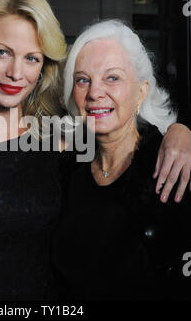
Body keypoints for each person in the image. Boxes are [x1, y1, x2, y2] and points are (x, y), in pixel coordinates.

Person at [0, 0, 191, 301]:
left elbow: (125, 131)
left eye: (31, 58)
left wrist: (180, 130)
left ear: (42, 68)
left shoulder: (58, 142)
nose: (15, 72)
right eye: (2, 52)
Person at [52, 19, 191, 300]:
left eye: (112, 77)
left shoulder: (175, 168)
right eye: (83, 80)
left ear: (141, 90)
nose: (94, 93)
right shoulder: (65, 171)